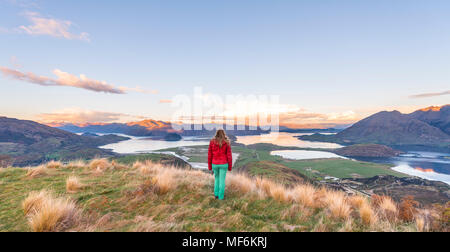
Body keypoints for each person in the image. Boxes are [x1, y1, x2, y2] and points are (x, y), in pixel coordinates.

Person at [208, 129, 233, 200]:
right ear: (223, 134)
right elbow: (229, 156)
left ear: (216, 134)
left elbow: (210, 155)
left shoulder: (212, 142)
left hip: (215, 164)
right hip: (223, 164)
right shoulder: (227, 142)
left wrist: (210, 166)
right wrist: (230, 167)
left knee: (217, 179)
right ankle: (221, 197)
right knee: (222, 180)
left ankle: (216, 195)